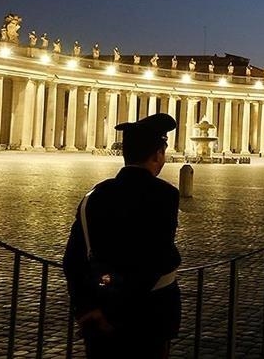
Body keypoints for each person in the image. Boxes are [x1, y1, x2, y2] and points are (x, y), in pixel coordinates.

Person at [63, 113, 182, 359]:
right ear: (158, 154)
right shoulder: (164, 195)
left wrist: (87, 308)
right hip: (148, 318)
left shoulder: (94, 195)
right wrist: (116, 315)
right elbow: (153, 260)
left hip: (97, 316)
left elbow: (73, 260)